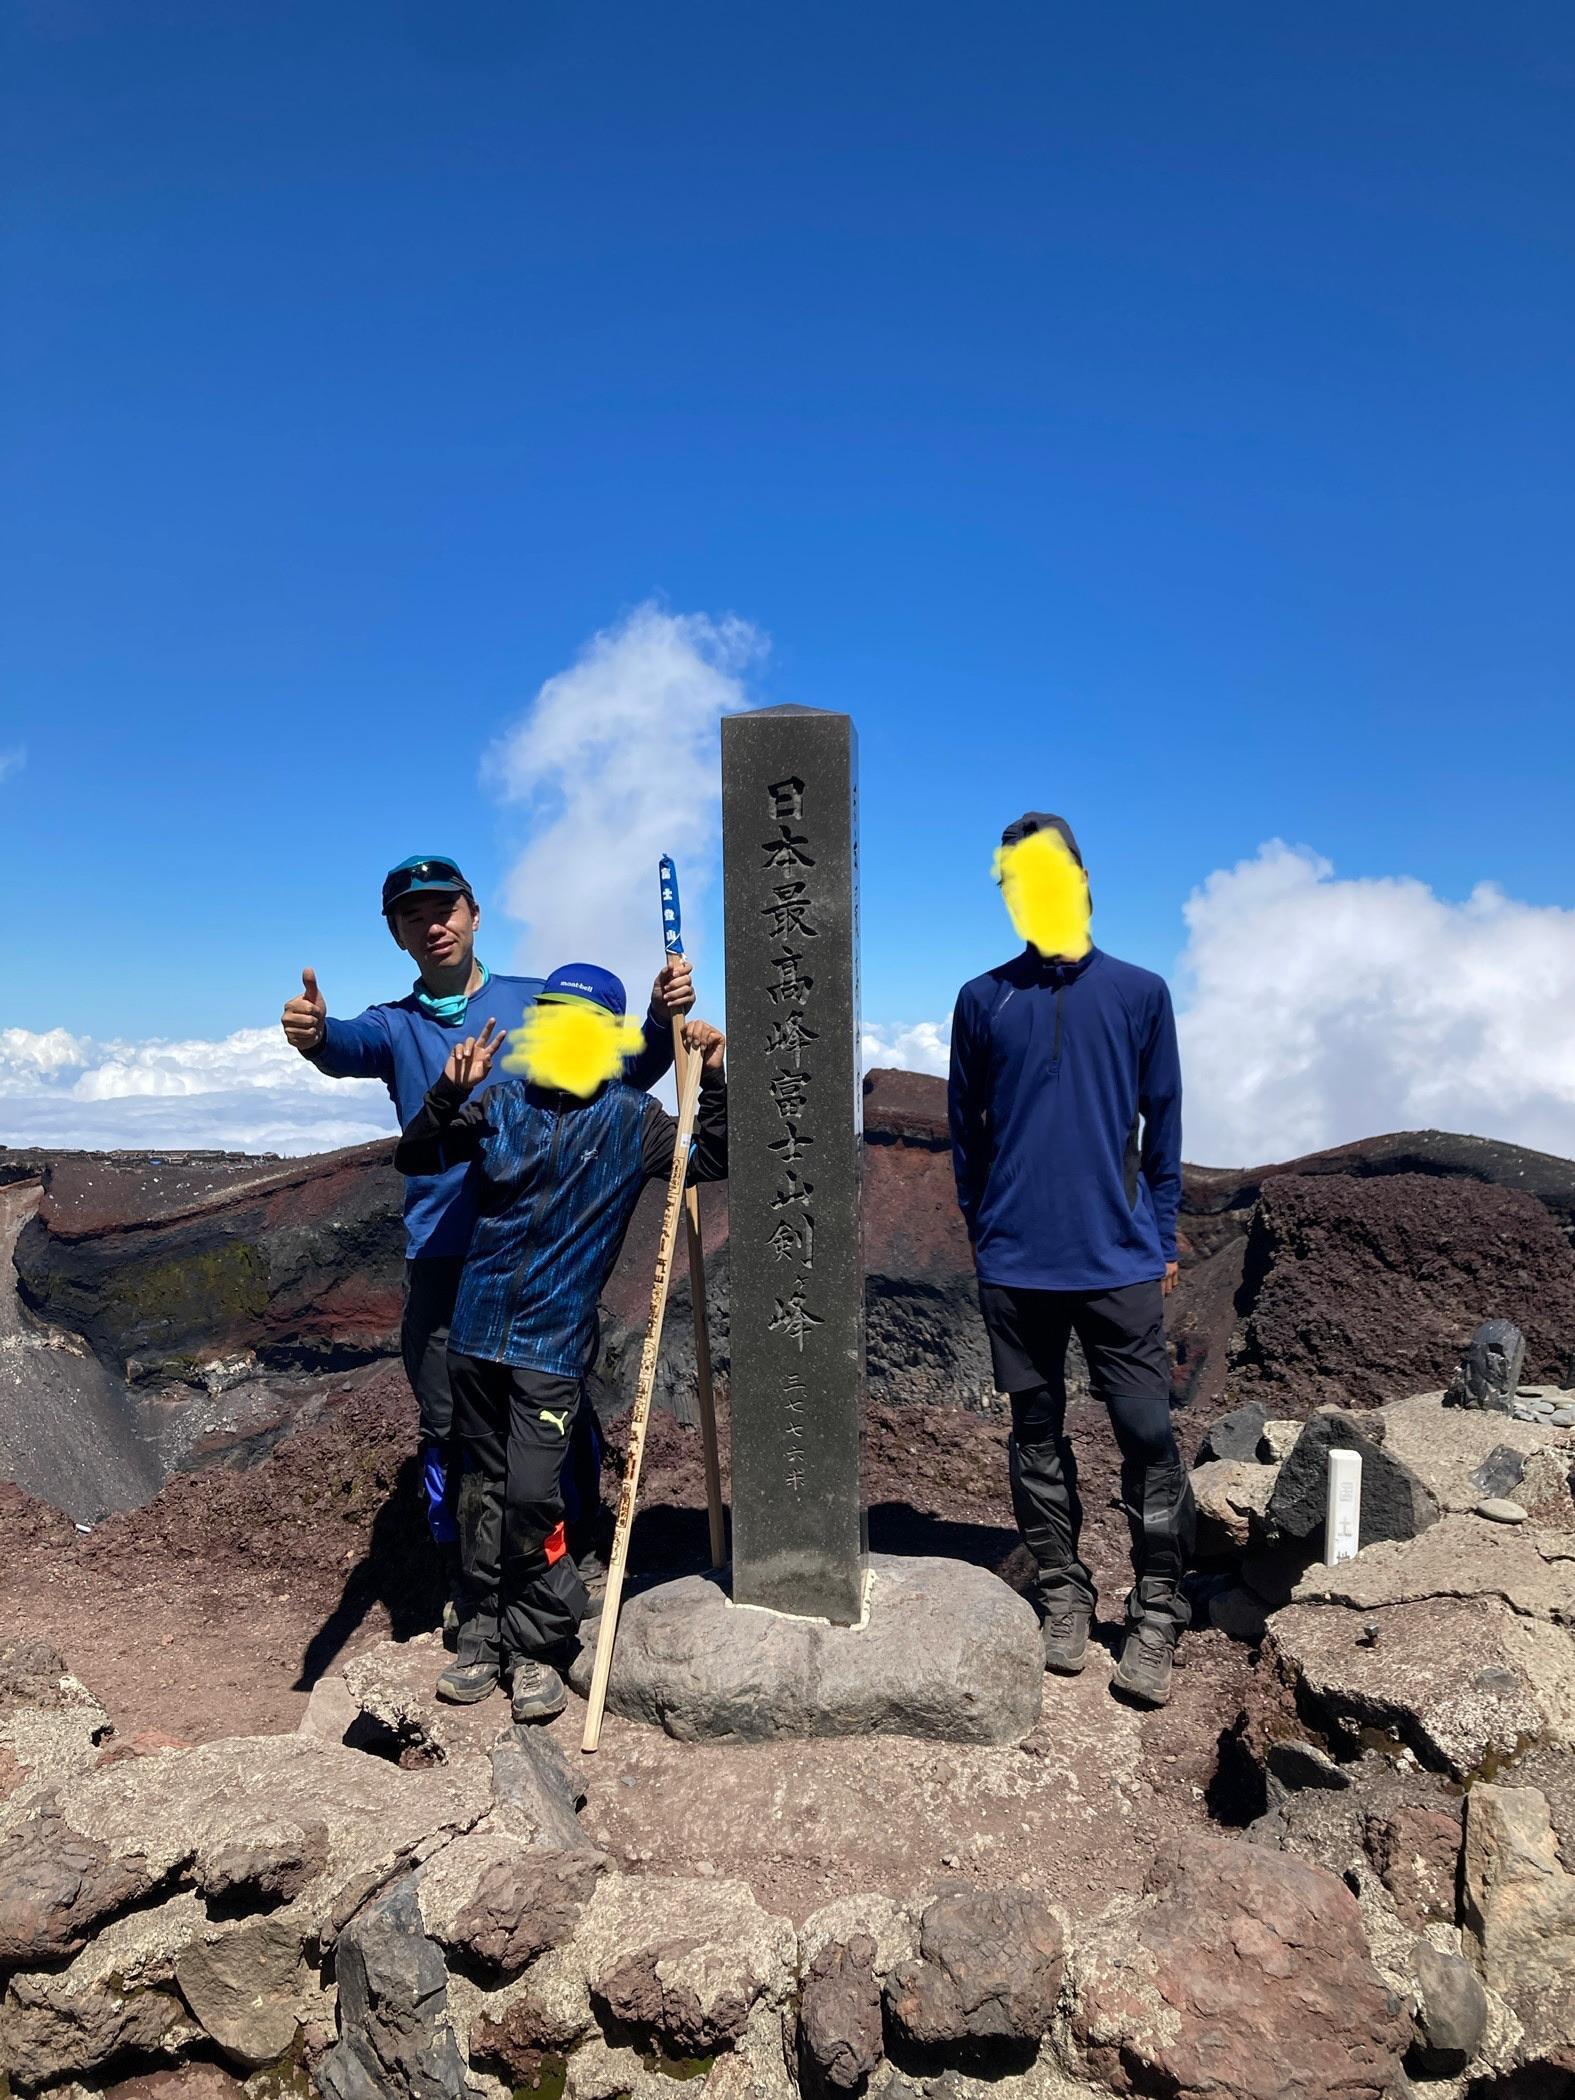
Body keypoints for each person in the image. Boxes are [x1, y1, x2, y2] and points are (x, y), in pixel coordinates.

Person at [280, 854, 693, 1622]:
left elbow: (616, 1078)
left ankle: (564, 1558)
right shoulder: (392, 1025)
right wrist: (314, 1035)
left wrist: (656, 1020)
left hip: (543, 1255)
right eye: (412, 916)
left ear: (473, 914)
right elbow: (343, 1046)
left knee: (556, 1420)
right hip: (445, 1256)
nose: (431, 924)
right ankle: (467, 1584)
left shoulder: (537, 1001)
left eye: (444, 908)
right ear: (396, 935)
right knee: (449, 1429)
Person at [393, 965, 728, 1722]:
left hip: (550, 1346)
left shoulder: (632, 1120)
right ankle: (482, 1635)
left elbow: (712, 1158)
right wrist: (446, 1091)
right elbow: (416, 1157)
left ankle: (537, 1644)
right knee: (480, 1491)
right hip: (475, 1335)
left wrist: (715, 1079)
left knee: (530, 1496)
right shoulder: (501, 1104)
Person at [947, 812, 1194, 1708]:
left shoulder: (1139, 992)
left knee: (1146, 1433)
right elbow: (964, 1131)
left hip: (1117, 1260)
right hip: (1017, 1267)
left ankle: (1157, 1610)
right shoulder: (983, 1000)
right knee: (1035, 1433)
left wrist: (1159, 1236)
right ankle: (1063, 1593)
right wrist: (985, 1230)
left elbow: (1163, 1124)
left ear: (1083, 882)